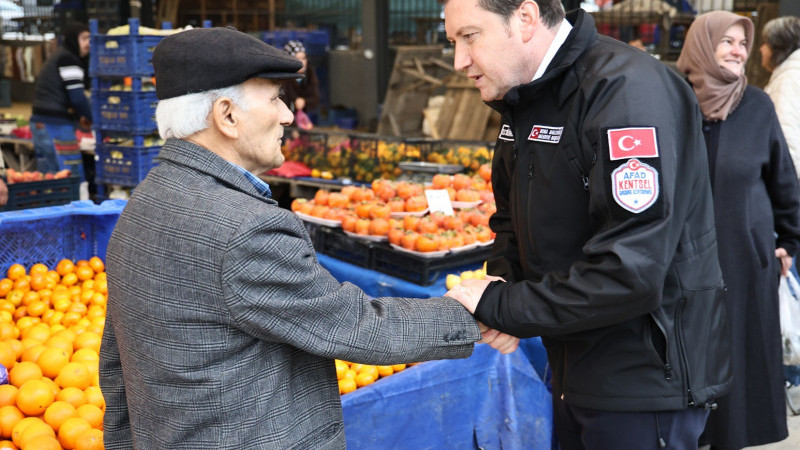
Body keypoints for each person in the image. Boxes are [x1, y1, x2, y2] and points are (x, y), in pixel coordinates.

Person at [98, 27, 518, 449]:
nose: (286, 115)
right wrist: (474, 314)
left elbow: (117, 371)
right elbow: (352, 326)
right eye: (274, 98)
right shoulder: (246, 230)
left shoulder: (142, 205)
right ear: (227, 116)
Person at [442, 0, 732, 448]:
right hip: (573, 364)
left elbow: (630, 271)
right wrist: (504, 280)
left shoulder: (625, 92)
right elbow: (510, 220)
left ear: (524, 17)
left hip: (641, 383)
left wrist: (504, 306)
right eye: (453, 42)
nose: (459, 61)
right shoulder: (525, 96)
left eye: (469, 37)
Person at [677, 11, 800, 449]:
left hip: (744, 260)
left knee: (740, 363)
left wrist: (789, 242)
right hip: (680, 266)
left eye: (743, 44)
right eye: (725, 41)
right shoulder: (673, 103)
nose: (737, 50)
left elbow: (784, 181)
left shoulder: (757, 105)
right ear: (700, 45)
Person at [30, 21, 91, 179]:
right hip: (55, 126)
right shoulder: (68, 59)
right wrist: (93, 118)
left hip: (40, 124)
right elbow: (77, 98)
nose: (88, 43)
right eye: (84, 39)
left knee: (50, 178)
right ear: (73, 39)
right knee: (71, 176)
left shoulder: (58, 56)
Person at [761, 16, 800, 182]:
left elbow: (786, 140)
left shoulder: (787, 81)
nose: (761, 49)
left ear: (778, 47)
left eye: (765, 43)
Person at [281, 39, 320, 128]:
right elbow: (283, 105)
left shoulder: (310, 73)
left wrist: (304, 102)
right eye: (298, 59)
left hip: (305, 123)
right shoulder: (283, 78)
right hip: (287, 124)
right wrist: (294, 128)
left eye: (304, 58)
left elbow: (315, 98)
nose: (302, 62)